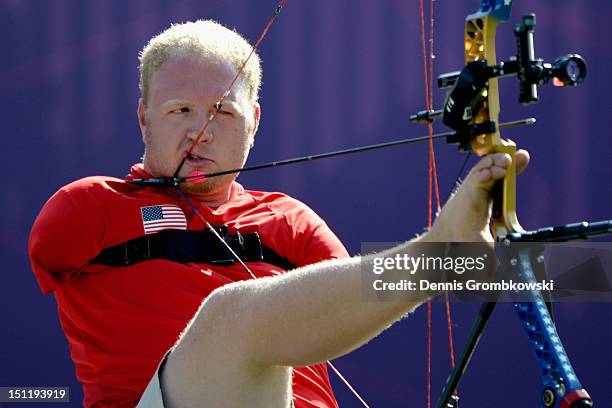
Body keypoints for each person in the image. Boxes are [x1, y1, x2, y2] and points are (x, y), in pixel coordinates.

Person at [28, 20, 529, 408]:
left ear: (255, 124)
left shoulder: (288, 218)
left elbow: (363, 295)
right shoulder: (90, 205)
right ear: (144, 116)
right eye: (180, 110)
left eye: (223, 113)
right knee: (228, 315)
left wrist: (567, 266)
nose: (200, 131)